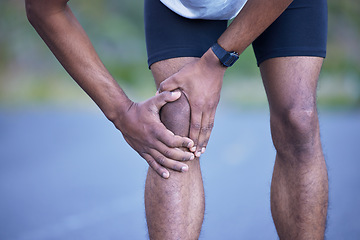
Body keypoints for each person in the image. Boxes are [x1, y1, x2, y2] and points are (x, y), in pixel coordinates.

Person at [25, 0, 329, 239]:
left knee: (298, 119)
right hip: (182, 6)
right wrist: (122, 113)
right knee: (177, 121)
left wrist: (216, 61)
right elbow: (44, 7)